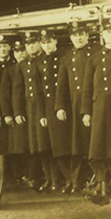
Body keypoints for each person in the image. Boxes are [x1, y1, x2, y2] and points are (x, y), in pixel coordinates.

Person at [82, 17, 111, 200]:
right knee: (99, 148)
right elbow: (87, 87)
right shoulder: (94, 59)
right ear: (103, 35)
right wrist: (86, 111)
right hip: (99, 108)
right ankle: (103, 183)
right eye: (108, 32)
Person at [55, 19, 98, 193]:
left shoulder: (97, 52)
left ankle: (98, 179)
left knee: (94, 143)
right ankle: (76, 181)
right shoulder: (67, 58)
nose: (78, 38)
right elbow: (62, 86)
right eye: (74, 35)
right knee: (77, 145)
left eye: (81, 34)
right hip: (75, 107)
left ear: (87, 35)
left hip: (95, 104)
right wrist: (60, 107)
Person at [13, 31, 57, 190]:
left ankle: (53, 180)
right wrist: (18, 112)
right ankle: (43, 179)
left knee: (48, 145)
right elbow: (18, 91)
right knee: (36, 148)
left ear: (39, 44)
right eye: (28, 44)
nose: (31, 46)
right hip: (29, 112)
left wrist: (45, 113)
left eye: (34, 43)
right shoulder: (22, 65)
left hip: (43, 109)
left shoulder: (45, 61)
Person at [37, 29, 70, 192]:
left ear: (55, 41)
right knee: (50, 146)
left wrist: (61, 106)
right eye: (44, 43)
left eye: (49, 42)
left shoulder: (64, 56)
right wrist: (42, 114)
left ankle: (70, 180)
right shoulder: (39, 61)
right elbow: (39, 91)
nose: (47, 45)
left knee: (63, 145)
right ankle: (55, 180)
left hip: (63, 106)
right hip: (48, 108)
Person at [1, 39, 31, 185]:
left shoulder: (33, 66)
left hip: (31, 112)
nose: (21, 53)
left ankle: (32, 175)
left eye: (23, 50)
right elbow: (4, 95)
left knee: (31, 145)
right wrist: (7, 114)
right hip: (16, 113)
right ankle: (19, 175)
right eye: (17, 51)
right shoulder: (10, 71)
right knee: (17, 146)